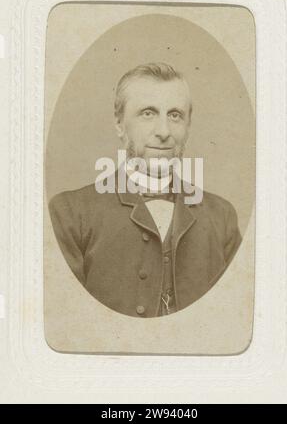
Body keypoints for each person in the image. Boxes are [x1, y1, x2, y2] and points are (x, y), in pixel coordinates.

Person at [49, 62, 242, 318]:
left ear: (188, 126)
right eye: (148, 113)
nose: (163, 132)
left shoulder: (222, 217)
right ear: (119, 124)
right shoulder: (70, 214)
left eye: (175, 115)